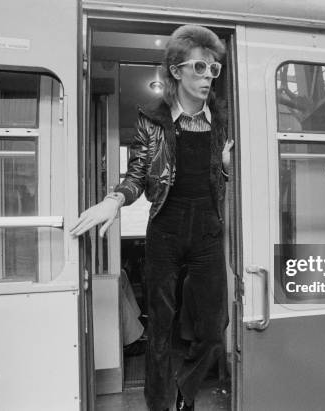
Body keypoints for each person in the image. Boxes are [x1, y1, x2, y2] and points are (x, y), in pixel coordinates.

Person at [71, 25, 233, 411]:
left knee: (214, 330)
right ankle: (161, 404)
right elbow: (138, 173)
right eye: (199, 67)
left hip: (208, 231)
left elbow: (221, 171)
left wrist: (225, 168)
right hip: (165, 230)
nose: (208, 77)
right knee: (161, 328)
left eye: (214, 70)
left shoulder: (224, 119)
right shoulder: (152, 119)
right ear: (176, 71)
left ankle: (184, 389)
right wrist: (114, 201)